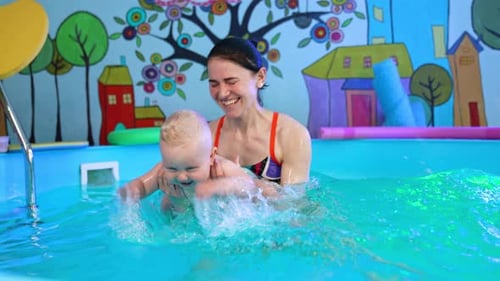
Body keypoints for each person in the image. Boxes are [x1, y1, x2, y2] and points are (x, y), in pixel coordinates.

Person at [118, 109, 255, 211]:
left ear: (211, 157)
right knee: (167, 204)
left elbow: (249, 185)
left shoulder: (221, 169)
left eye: (191, 168)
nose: (182, 176)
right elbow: (142, 183)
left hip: (219, 214)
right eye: (172, 168)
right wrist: (131, 191)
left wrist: (219, 187)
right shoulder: (164, 170)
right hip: (180, 216)